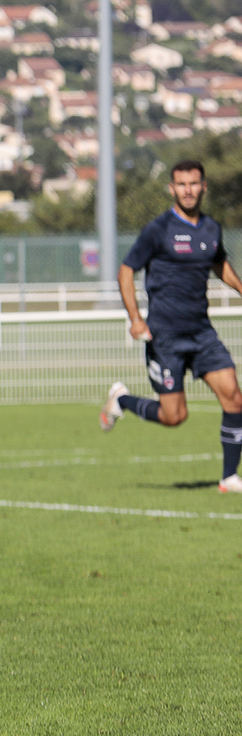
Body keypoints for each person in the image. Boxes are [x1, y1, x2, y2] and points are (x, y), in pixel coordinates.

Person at [100, 159, 242, 491]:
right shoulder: (158, 229)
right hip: (165, 337)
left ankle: (229, 477)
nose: (188, 190)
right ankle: (122, 401)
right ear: (172, 188)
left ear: (204, 186)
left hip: (202, 333)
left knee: (235, 398)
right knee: (174, 417)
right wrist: (135, 319)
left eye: (194, 184)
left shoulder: (211, 229)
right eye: (181, 184)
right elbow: (125, 271)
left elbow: (219, 263)